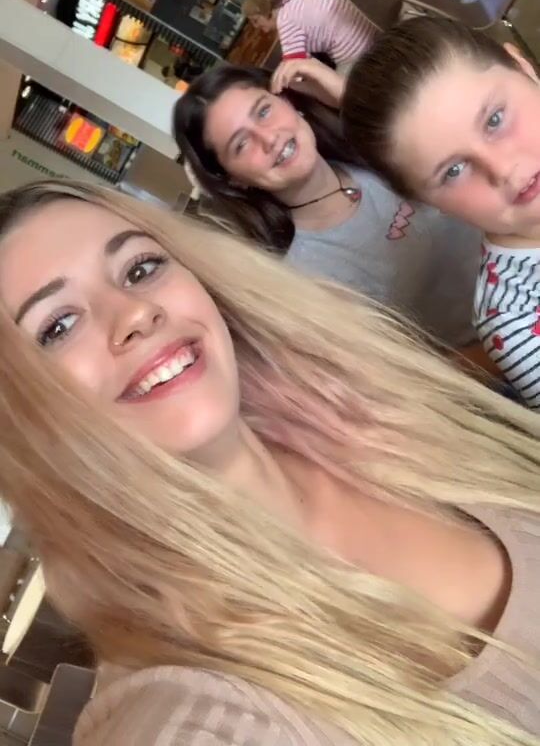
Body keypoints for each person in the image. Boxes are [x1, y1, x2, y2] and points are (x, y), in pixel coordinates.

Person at [0, 180, 538, 745]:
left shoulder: (373, 419)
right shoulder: (185, 714)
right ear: (22, 427)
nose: (135, 312)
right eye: (58, 327)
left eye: (140, 269)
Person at [174, 62, 482, 353]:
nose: (268, 138)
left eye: (264, 111)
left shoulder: (372, 145)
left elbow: (476, 149)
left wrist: (349, 98)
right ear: (233, 179)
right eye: (241, 144)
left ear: (287, 101)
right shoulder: (305, 279)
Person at [340, 15, 540, 408]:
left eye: (495, 119)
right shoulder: (515, 321)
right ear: (425, 202)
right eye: (454, 171)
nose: (502, 169)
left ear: (522, 66)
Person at [241, 0, 378, 73]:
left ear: (266, 10)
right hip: (373, 31)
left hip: (358, 54)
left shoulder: (285, 22)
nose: (256, 26)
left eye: (256, 20)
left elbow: (295, 68)